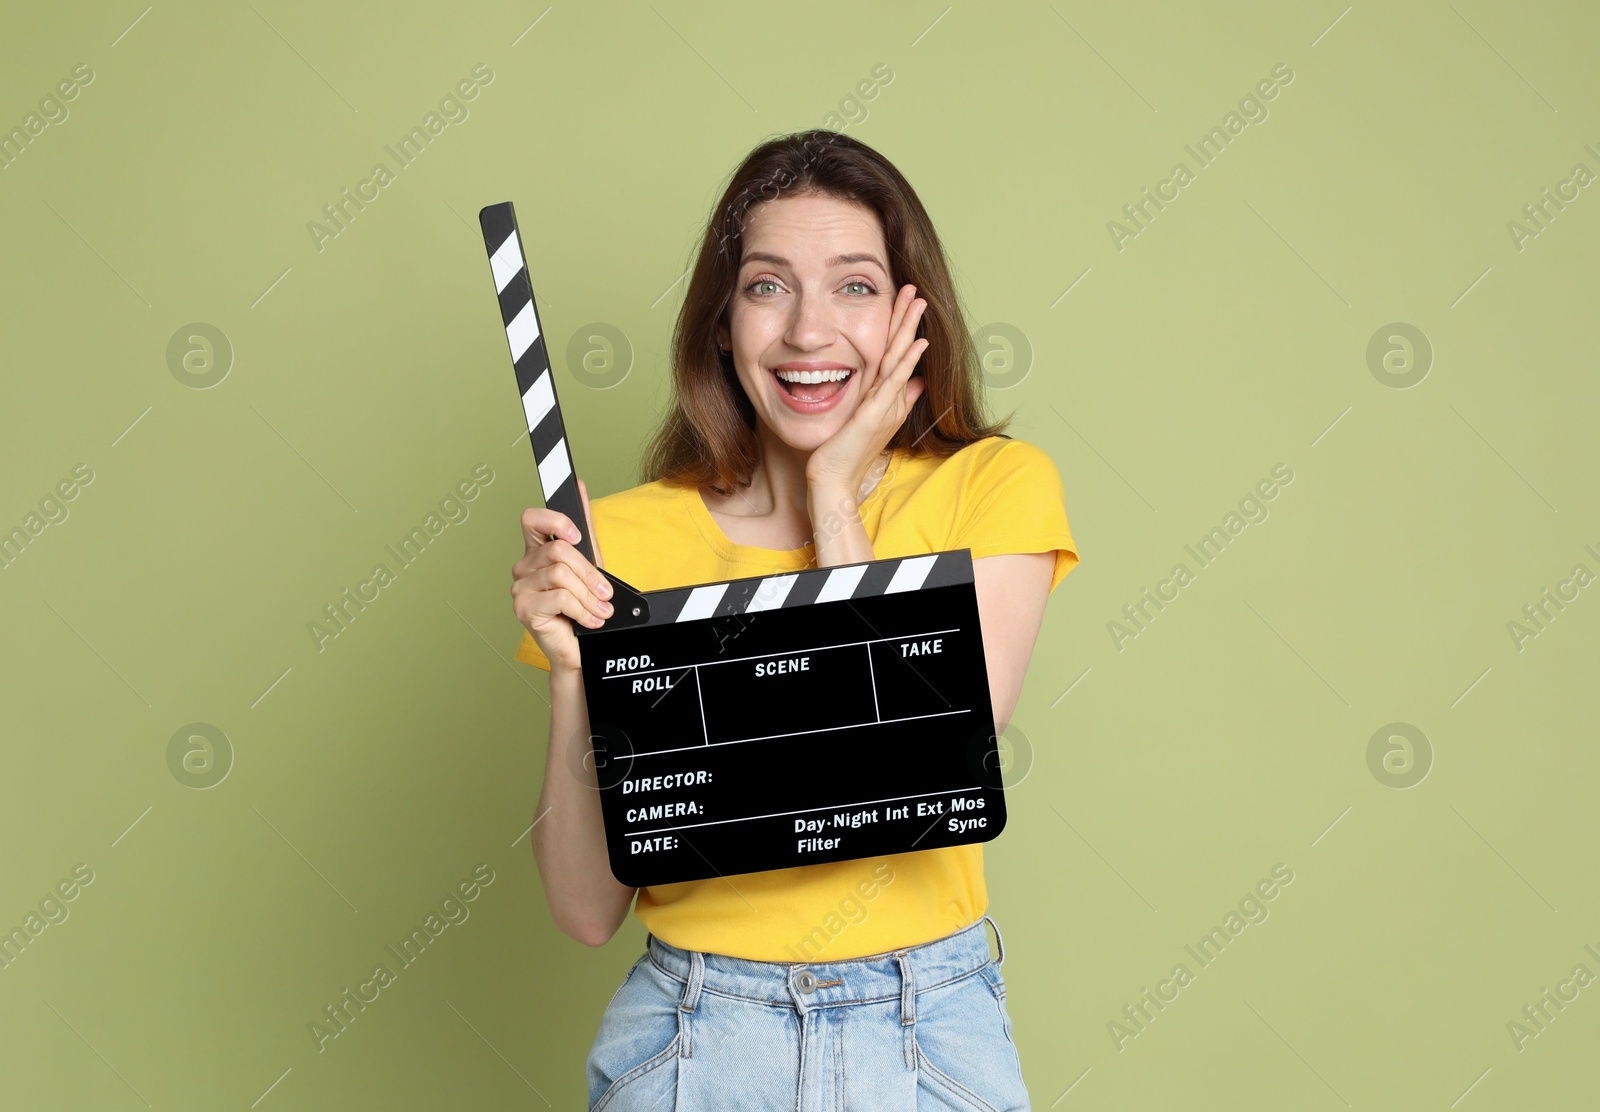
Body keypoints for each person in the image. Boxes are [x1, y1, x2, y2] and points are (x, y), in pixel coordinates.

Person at [509, 128, 1077, 1111]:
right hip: (690, 1037)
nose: (809, 330)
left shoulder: (991, 488)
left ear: (913, 315)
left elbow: (915, 760)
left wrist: (830, 497)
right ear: (723, 323)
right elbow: (585, 907)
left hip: (923, 1027)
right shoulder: (619, 539)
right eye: (769, 285)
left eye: (853, 285)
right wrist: (574, 673)